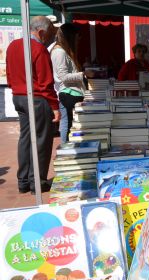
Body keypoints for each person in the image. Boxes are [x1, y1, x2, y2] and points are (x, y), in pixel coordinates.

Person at [6, 16, 60, 194]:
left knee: (26, 138)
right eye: (49, 33)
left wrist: (16, 89)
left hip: (19, 96)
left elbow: (9, 73)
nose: (49, 37)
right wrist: (54, 106)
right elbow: (46, 82)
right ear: (41, 32)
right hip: (36, 98)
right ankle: (37, 181)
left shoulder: (13, 46)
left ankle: (24, 180)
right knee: (42, 140)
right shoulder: (38, 49)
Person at [51, 23, 94, 142]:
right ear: (71, 36)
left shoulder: (64, 51)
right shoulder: (60, 52)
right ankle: (65, 148)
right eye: (77, 38)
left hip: (73, 93)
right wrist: (83, 74)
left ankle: (66, 147)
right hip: (68, 94)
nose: (78, 41)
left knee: (69, 123)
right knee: (67, 123)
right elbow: (64, 77)